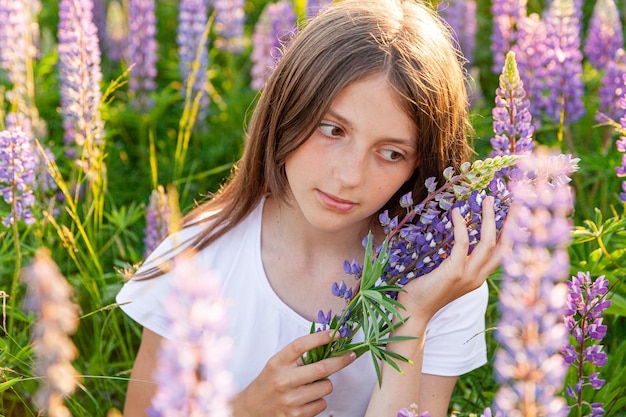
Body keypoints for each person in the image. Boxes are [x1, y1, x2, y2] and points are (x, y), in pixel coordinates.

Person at [116, 0, 502, 416]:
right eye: (333, 129)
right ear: (286, 110)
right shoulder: (199, 256)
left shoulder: (437, 280)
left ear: (421, 165)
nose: (349, 175)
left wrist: (411, 317)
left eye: (391, 153)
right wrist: (243, 410)